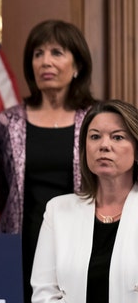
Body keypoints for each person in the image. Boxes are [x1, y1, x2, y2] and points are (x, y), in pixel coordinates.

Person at [0, 19, 96, 302]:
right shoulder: (5, 122)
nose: (45, 62)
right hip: (22, 242)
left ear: (77, 66)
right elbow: (2, 187)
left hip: (81, 240)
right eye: (38, 54)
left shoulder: (96, 121)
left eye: (56, 53)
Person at [31, 100, 138, 303]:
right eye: (95, 136)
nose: (104, 145)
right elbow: (44, 294)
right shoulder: (58, 210)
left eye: (117, 137)